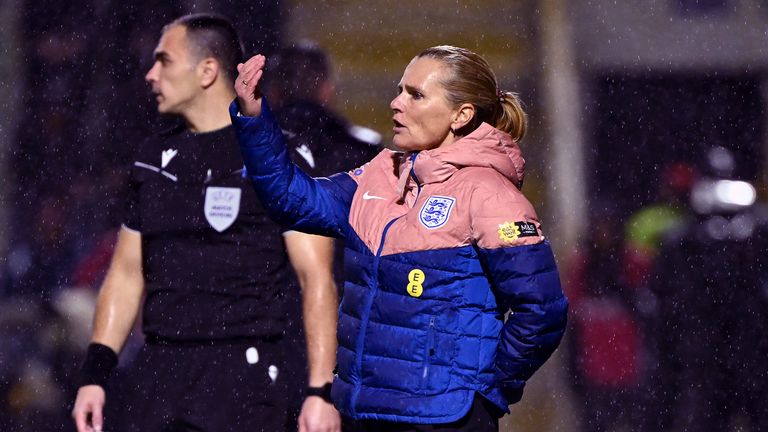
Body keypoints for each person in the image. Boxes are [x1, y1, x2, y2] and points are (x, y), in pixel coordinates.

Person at [231, 46, 569, 431]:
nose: (396, 103)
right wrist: (254, 117)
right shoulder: (380, 176)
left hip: (443, 420)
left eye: (416, 95)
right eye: (399, 90)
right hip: (365, 413)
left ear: (461, 115)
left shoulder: (491, 195)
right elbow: (290, 199)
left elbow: (542, 310)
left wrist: (487, 390)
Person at [71, 14, 340, 432]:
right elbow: (125, 274)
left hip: (243, 375)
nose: (151, 73)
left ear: (207, 71)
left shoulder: (278, 156)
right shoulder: (151, 159)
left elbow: (316, 279)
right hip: (159, 371)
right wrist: (95, 375)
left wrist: (320, 391)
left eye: (164, 61)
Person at [264, 41, 381, 428]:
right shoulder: (368, 155)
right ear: (327, 88)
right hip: (356, 334)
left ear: (274, 92)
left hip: (273, 332)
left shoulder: (256, 154)